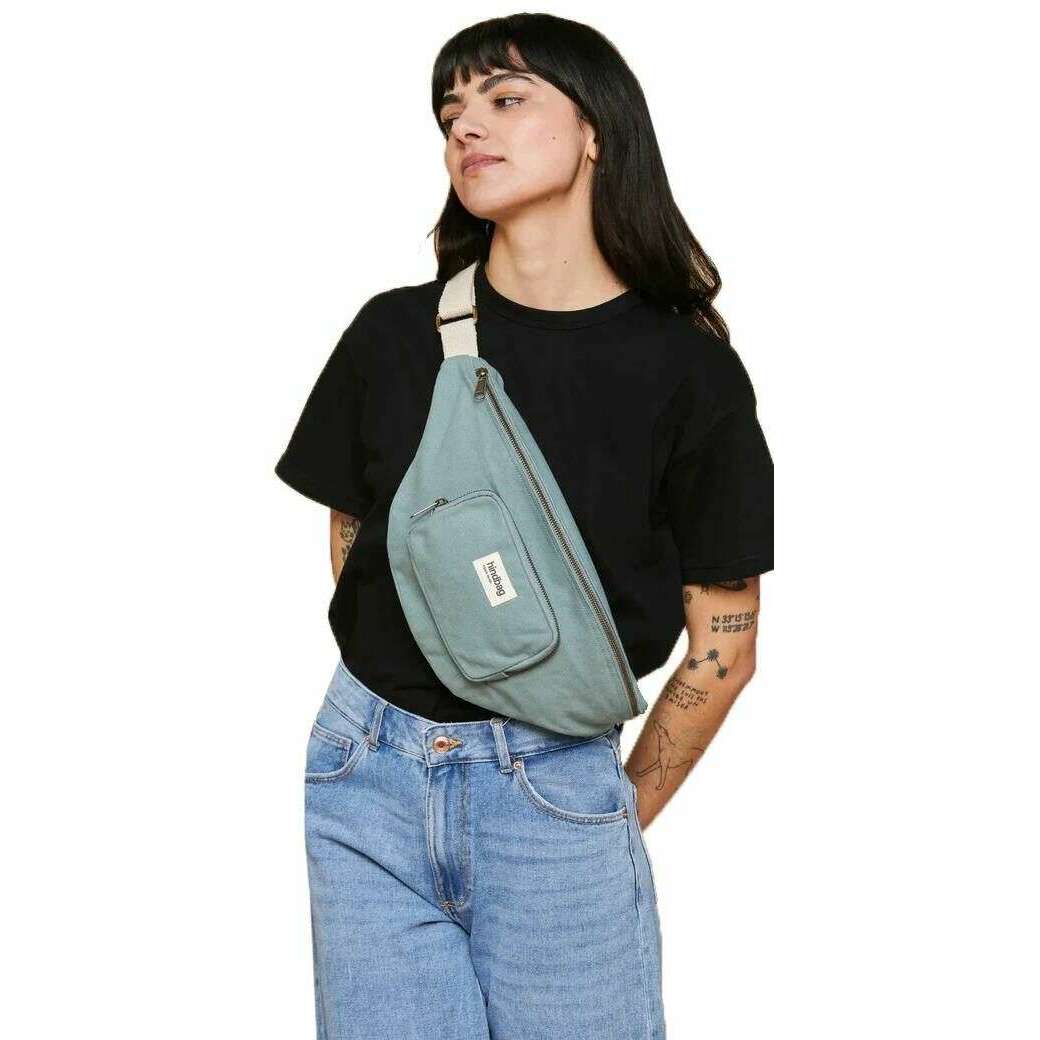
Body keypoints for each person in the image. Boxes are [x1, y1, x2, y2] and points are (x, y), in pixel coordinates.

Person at [274, 14, 773, 1040]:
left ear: (595, 131)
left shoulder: (689, 374)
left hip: (556, 782)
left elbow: (723, 646)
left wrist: (598, 807)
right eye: (449, 111)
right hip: (364, 772)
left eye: (504, 99)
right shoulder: (391, 335)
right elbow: (357, 537)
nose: (465, 126)